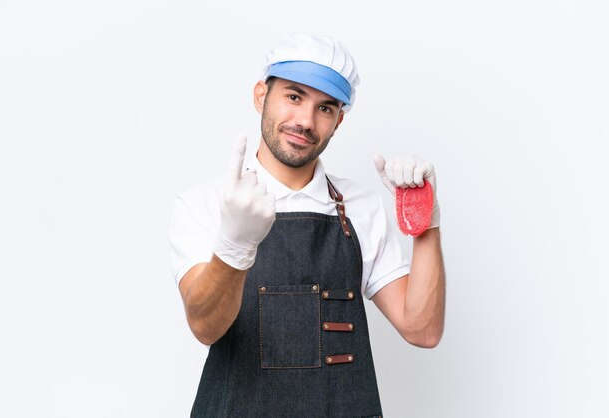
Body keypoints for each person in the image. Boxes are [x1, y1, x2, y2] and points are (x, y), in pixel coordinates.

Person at [169, 34, 446, 417]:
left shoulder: (360, 207)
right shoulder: (204, 205)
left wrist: (426, 225)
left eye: (325, 108)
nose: (305, 121)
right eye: (294, 96)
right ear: (260, 96)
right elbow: (205, 327)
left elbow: (422, 329)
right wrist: (233, 245)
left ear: (338, 121)